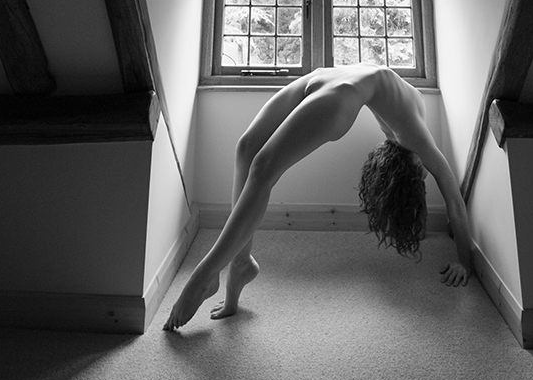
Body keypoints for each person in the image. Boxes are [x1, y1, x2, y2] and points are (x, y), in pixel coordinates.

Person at [164, 64, 472, 331]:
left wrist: (464, 261)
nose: (427, 174)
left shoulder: (410, 129)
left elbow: (454, 202)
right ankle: (241, 262)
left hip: (332, 84)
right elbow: (454, 201)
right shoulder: (413, 138)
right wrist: (462, 260)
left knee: (261, 166)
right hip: (331, 83)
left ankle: (205, 273)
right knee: (246, 149)